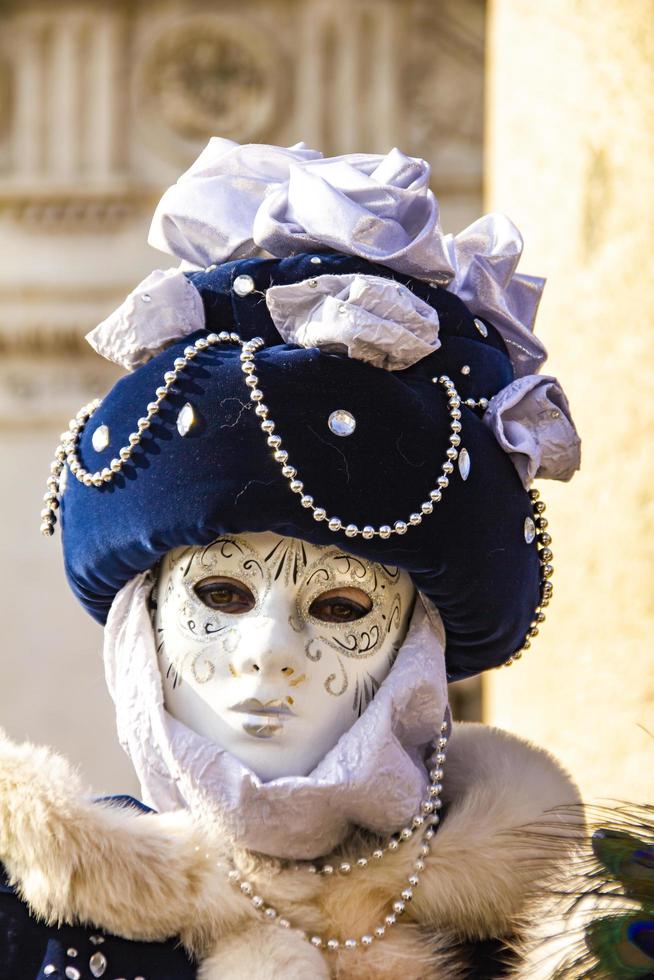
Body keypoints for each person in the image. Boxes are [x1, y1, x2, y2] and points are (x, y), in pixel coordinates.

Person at [0, 141, 583, 979]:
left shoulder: (544, 937)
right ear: (148, 628)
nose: (269, 652)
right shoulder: (28, 922)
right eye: (223, 593)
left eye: (344, 607)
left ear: (411, 654)